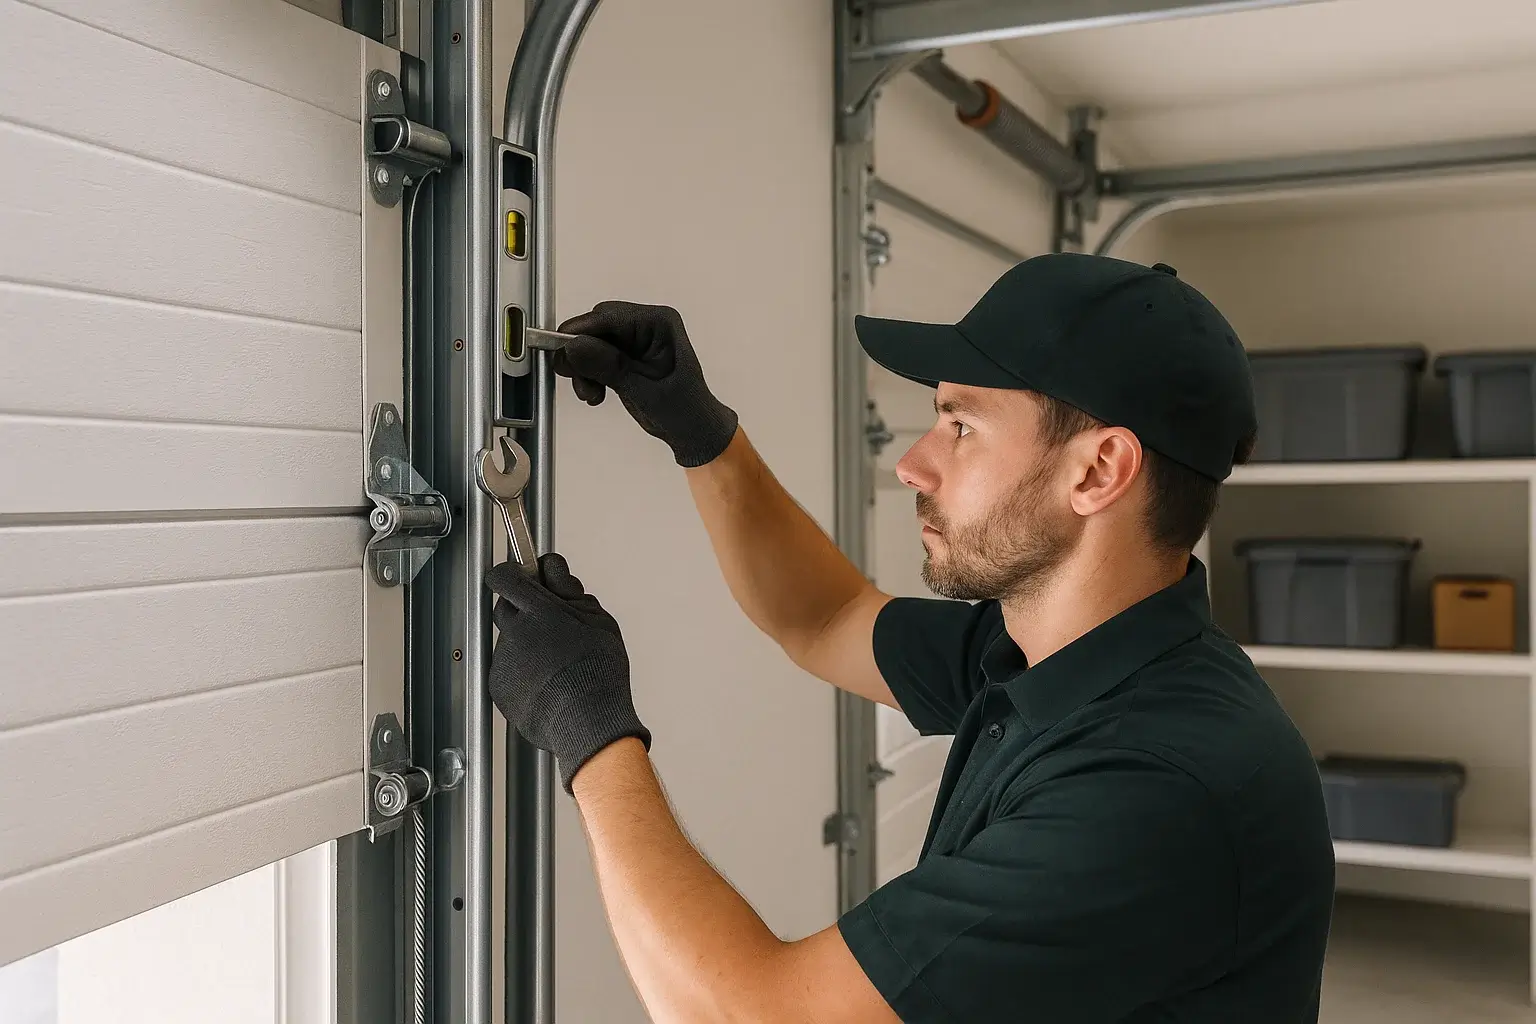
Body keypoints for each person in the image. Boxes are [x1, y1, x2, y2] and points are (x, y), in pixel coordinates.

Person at [485, 253, 1336, 1023]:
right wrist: (701, 434)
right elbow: (824, 618)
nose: (913, 465)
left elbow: (753, 1018)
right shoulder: (1057, 651)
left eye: (962, 427)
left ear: (1098, 470)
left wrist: (583, 720)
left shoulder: (1157, 788)